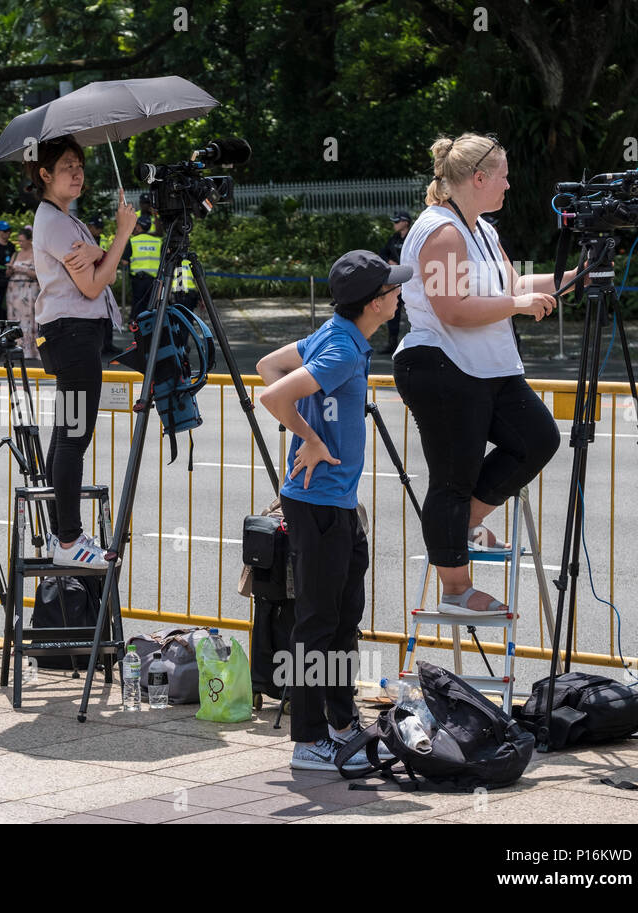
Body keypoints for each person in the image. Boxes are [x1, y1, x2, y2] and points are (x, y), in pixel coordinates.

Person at [394, 133, 562, 614]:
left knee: (537, 439)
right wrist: (517, 304)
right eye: (504, 177)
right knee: (453, 477)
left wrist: (578, 275)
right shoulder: (443, 229)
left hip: (485, 368)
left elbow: (515, 285)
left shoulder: (482, 228)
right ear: (479, 178)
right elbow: (453, 308)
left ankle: (457, 525)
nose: (509, 185)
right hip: (441, 364)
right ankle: (456, 591)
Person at [257, 250, 406, 771]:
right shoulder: (341, 348)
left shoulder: (338, 334)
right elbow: (273, 392)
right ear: (373, 303)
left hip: (334, 502)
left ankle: (342, 725)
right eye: (391, 289)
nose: (398, 294)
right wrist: (311, 438)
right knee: (318, 623)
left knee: (343, 619)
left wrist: (311, 432)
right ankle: (308, 740)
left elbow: (267, 364)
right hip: (318, 502)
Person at [27, 136, 136, 567]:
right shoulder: (53, 222)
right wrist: (121, 235)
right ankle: (69, 541)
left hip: (76, 335)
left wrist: (100, 250)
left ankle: (62, 536)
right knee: (74, 438)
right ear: (45, 174)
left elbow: (99, 268)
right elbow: (94, 282)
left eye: (80, 166)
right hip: (72, 336)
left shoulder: (65, 220)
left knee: (65, 436)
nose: (77, 173)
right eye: (67, 166)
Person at [378, 210, 411, 354]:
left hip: (411, 281)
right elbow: (383, 253)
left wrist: (400, 263)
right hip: (397, 281)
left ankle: (415, 346)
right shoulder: (394, 239)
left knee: (415, 313)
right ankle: (392, 344)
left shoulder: (413, 237)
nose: (394, 224)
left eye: (397, 221)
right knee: (393, 313)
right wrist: (389, 261)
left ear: (406, 222)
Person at [5, 227, 39, 361]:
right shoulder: (15, 254)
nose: (20, 243)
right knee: (15, 320)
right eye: (18, 241)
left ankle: (30, 349)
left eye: (22, 241)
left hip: (29, 290)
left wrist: (20, 269)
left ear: (30, 240)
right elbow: (8, 274)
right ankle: (17, 346)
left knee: (29, 320)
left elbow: (37, 274)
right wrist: (10, 270)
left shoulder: (35, 254)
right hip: (14, 290)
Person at [122, 214, 161, 320]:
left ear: (139, 227)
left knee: (138, 305)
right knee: (152, 305)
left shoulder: (133, 241)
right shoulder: (157, 241)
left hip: (138, 280)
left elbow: (124, 262)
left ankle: (137, 329)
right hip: (154, 281)